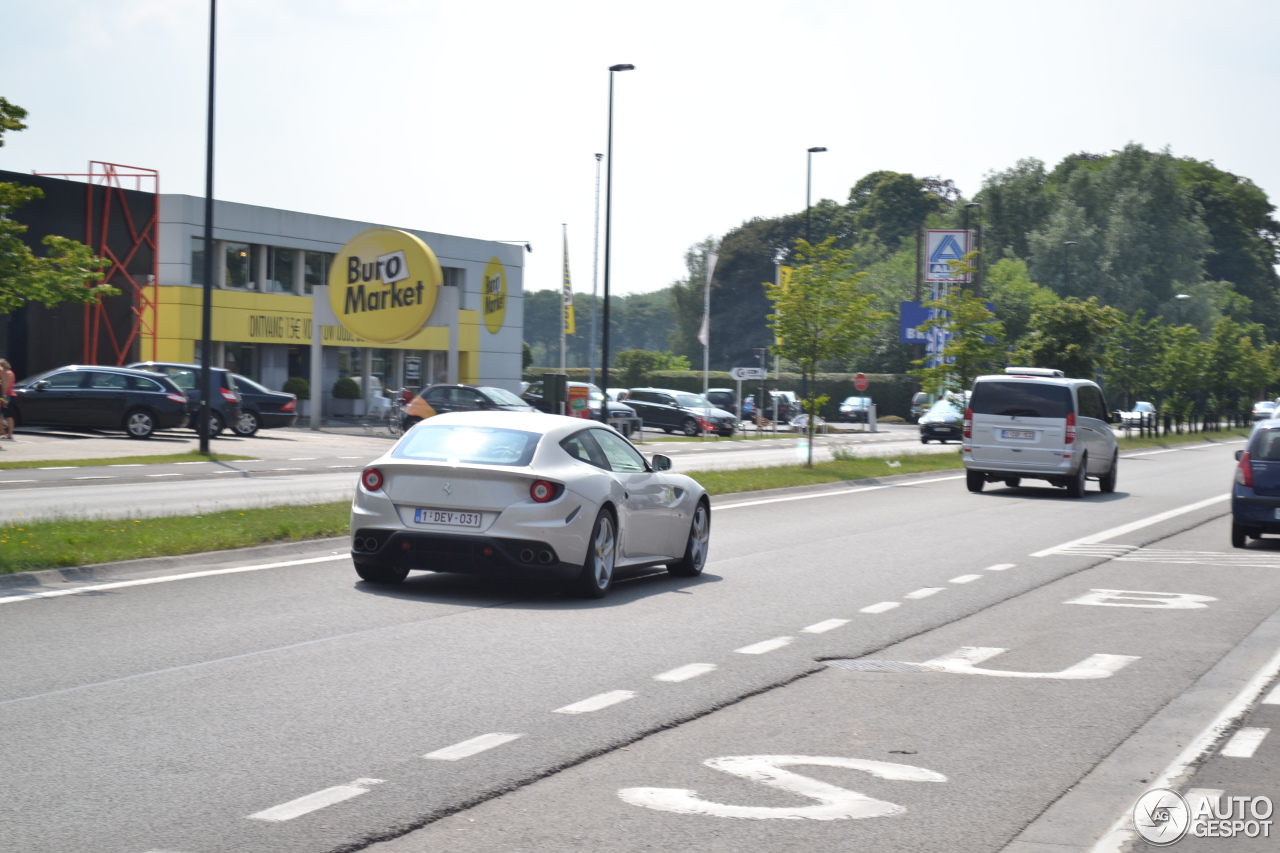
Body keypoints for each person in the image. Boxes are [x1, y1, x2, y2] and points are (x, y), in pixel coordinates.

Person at [0, 358, 14, 439]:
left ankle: (4, 432)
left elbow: (5, 386)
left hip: (6, 395)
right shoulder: (10, 373)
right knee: (7, 415)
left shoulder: (7, 373)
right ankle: (6, 432)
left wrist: (4, 397)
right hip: (7, 395)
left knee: (7, 415)